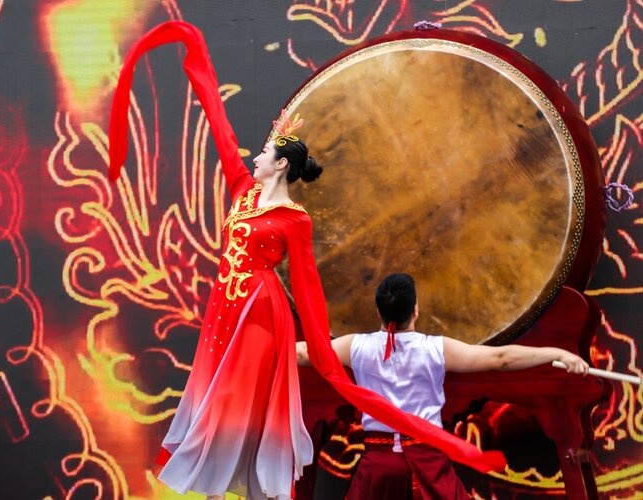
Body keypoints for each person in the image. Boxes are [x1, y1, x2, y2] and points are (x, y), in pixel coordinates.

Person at [108, 21, 505, 500]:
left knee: (236, 405)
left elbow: (307, 284)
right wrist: (196, 61)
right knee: (213, 401)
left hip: (259, 312)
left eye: (264, 153)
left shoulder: (295, 220)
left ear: (281, 165)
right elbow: (220, 129)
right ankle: (220, 491)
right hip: (224, 310)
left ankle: (252, 490)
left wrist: (322, 349)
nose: (255, 157)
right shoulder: (242, 190)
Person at [297, 273, 589, 499]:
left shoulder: (356, 347)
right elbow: (500, 358)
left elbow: (301, 353)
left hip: (378, 467)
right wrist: (557, 354)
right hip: (428, 467)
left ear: (379, 312)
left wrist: (268, 344)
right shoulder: (434, 349)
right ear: (416, 309)